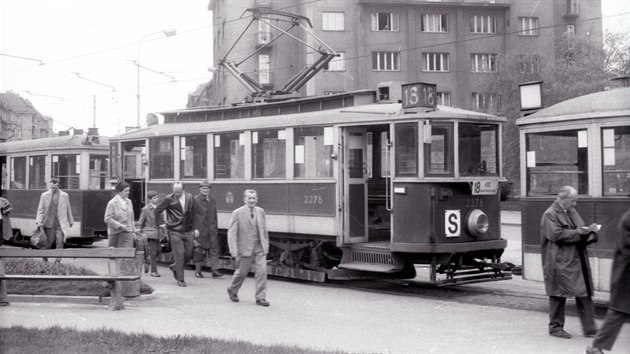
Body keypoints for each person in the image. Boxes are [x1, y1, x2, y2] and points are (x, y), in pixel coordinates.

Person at [541, 185, 600, 339]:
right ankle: (555, 328)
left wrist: (590, 233)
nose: (575, 204)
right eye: (573, 201)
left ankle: (590, 329)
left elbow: (579, 230)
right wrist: (581, 233)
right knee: (558, 293)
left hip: (574, 258)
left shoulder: (570, 210)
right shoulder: (550, 214)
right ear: (564, 199)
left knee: (584, 292)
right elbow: (557, 235)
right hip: (558, 261)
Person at [586, 208, 630, 354]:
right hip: (626, 276)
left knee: (618, 312)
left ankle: (595, 347)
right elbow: (627, 247)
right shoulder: (628, 218)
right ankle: (595, 347)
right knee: (618, 312)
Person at [226, 189, 270, 307]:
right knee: (242, 273)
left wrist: (266, 245)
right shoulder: (237, 213)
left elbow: (264, 230)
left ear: (257, 199)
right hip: (244, 248)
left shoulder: (260, 211)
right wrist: (233, 249)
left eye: (254, 198)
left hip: (259, 247)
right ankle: (232, 289)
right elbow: (232, 232)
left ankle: (261, 298)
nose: (252, 200)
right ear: (244, 199)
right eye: (249, 198)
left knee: (262, 272)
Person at [155, 182, 195, 287]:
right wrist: (161, 224)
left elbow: (195, 213)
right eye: (174, 191)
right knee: (179, 255)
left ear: (184, 190)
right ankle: (181, 279)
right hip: (175, 231)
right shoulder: (169, 199)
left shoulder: (190, 198)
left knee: (189, 253)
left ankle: (175, 267)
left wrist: (196, 228)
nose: (176, 193)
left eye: (178, 192)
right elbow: (157, 210)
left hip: (188, 231)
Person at [35, 177, 74, 262]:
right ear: (50, 184)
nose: (53, 185)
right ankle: (44, 259)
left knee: (60, 242)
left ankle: (58, 261)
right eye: (52, 183)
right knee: (48, 242)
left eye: (55, 183)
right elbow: (40, 210)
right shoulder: (44, 195)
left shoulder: (65, 195)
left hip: (60, 223)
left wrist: (71, 220)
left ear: (58, 184)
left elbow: (68, 208)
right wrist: (39, 222)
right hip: (49, 223)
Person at [192, 180, 222, 278]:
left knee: (214, 249)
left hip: (212, 229)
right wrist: (195, 229)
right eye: (204, 188)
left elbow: (215, 214)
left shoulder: (212, 199)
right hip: (200, 229)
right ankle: (198, 271)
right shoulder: (195, 199)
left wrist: (216, 227)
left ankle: (215, 270)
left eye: (207, 188)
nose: (206, 190)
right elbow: (192, 216)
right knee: (199, 250)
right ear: (200, 189)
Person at [104, 181, 135, 248]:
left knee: (127, 254)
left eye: (128, 190)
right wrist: (120, 226)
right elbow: (107, 218)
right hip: (116, 234)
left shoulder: (129, 202)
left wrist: (133, 231)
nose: (128, 193)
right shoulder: (112, 203)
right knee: (116, 254)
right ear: (119, 192)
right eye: (125, 191)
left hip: (128, 234)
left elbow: (131, 218)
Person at [138, 190, 161, 277]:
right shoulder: (145, 209)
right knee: (153, 253)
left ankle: (147, 260)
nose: (156, 199)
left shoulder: (159, 208)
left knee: (159, 251)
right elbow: (141, 222)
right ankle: (154, 271)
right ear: (149, 200)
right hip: (150, 234)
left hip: (158, 233)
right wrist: (140, 233)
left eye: (157, 197)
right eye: (154, 198)